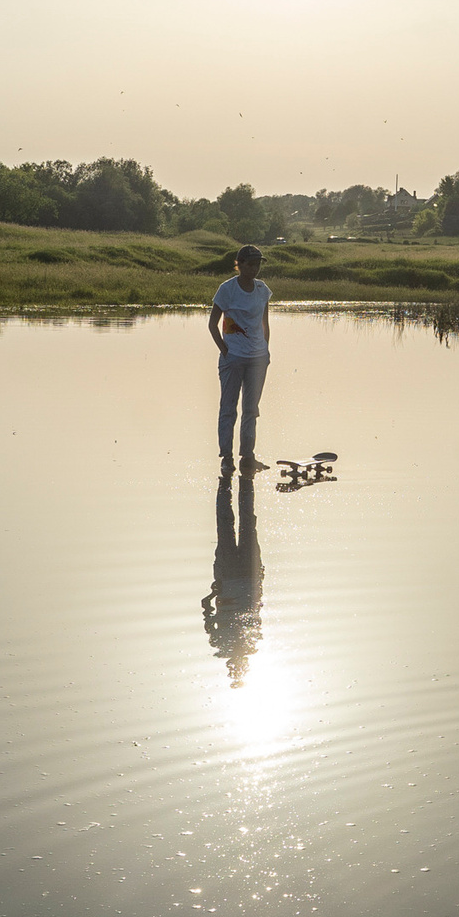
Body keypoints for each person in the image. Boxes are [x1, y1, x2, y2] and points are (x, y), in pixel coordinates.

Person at [208, 245, 273, 470]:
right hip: (233, 358)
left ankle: (248, 456)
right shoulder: (227, 289)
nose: (255, 269)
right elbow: (212, 324)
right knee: (228, 408)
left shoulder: (262, 290)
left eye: (258, 264)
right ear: (240, 264)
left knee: (251, 409)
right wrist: (225, 352)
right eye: (251, 264)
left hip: (258, 358)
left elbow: (265, 323)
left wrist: (265, 350)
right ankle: (227, 458)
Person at [201, 470, 263, 686]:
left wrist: (215, 592)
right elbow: (205, 607)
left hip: (240, 576)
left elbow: (256, 607)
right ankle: (234, 481)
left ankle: (232, 480)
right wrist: (215, 592)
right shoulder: (228, 643)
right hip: (235, 576)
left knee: (240, 524)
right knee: (234, 524)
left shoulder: (240, 643)